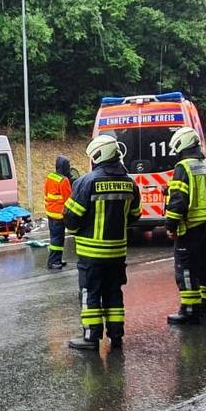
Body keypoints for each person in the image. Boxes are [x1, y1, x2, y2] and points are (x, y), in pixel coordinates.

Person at [64, 135, 141, 351]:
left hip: (92, 253)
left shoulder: (86, 182)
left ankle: (91, 337)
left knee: (91, 292)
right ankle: (116, 336)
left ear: (98, 155)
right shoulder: (130, 183)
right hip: (117, 252)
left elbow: (71, 218)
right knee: (114, 292)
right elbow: (135, 215)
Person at [164, 128, 206, 324]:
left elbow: (179, 200)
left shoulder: (183, 167)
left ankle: (189, 311)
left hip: (190, 225)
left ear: (181, 145)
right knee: (204, 266)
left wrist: (170, 225)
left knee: (186, 267)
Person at [44, 156, 73, 269]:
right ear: (64, 166)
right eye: (68, 166)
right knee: (58, 238)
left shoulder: (50, 177)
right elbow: (68, 199)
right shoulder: (63, 180)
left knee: (54, 237)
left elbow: (46, 194)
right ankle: (53, 261)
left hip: (50, 212)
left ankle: (57, 259)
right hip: (59, 214)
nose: (69, 168)